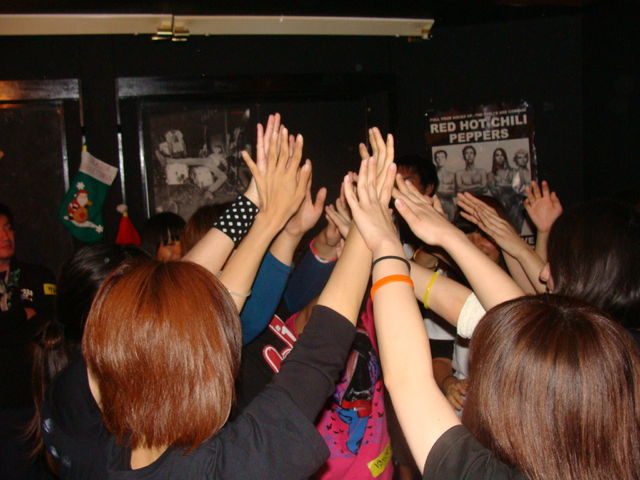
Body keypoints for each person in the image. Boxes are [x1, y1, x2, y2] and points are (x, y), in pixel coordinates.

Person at [40, 116, 388, 479]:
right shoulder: (227, 466)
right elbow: (318, 353)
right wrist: (368, 225)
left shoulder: (93, 399)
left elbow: (195, 300)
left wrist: (258, 204)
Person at [343, 157, 640, 479]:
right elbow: (497, 311)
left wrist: (382, 246)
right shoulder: (614, 358)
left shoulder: (486, 473)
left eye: (558, 262)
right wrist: (442, 240)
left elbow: (409, 380)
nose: (543, 272)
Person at [432, 150, 456, 220]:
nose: (440, 159)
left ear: (446, 158)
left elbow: (454, 191)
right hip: (437, 203)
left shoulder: (451, 175)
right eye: (437, 157)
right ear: (435, 160)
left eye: (442, 157)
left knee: (452, 222)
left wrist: (439, 191)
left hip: (449, 203)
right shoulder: (432, 175)